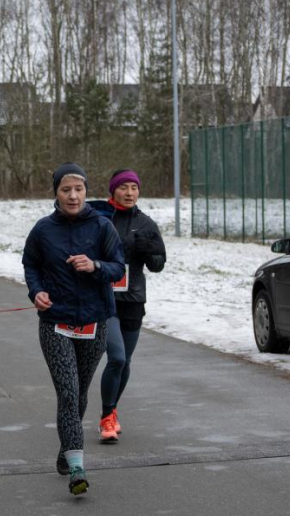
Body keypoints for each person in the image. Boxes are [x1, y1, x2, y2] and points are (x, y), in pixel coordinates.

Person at [22, 162, 124, 496]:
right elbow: (31, 264)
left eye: (78, 189)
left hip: (95, 323)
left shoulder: (102, 226)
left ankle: (67, 448)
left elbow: (117, 268)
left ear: (86, 191)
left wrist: (94, 265)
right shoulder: (42, 230)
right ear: (56, 193)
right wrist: (35, 291)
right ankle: (77, 468)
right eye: (66, 189)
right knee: (67, 392)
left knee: (79, 392)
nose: (73, 195)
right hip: (56, 323)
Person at [89, 169, 166, 443]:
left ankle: (110, 412)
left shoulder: (146, 223)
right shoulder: (98, 218)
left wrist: (150, 250)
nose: (130, 192)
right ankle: (107, 415)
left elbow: (157, 265)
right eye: (124, 187)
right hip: (104, 298)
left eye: (134, 187)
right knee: (117, 357)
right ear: (113, 190)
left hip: (133, 299)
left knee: (125, 362)